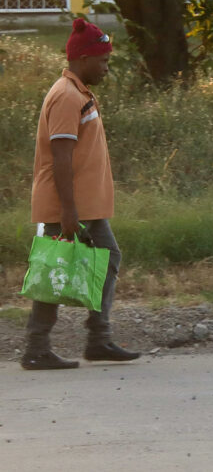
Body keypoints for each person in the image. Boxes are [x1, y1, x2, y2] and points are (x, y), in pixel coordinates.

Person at [22, 18, 140, 370]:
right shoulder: (66, 95)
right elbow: (61, 157)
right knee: (54, 270)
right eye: (103, 60)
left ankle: (97, 339)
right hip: (68, 205)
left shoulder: (79, 92)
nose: (106, 67)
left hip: (83, 205)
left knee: (98, 259)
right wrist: (68, 212)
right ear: (84, 58)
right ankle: (38, 348)